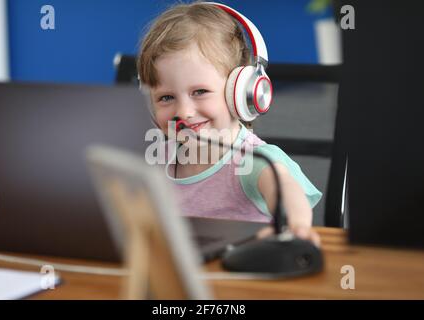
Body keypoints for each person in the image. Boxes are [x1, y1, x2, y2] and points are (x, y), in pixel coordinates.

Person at [137, 1, 322, 246]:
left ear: (241, 91)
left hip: (242, 276)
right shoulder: (160, 158)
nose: (183, 111)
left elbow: (284, 190)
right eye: (166, 98)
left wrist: (294, 226)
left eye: (200, 91)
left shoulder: (253, 160)